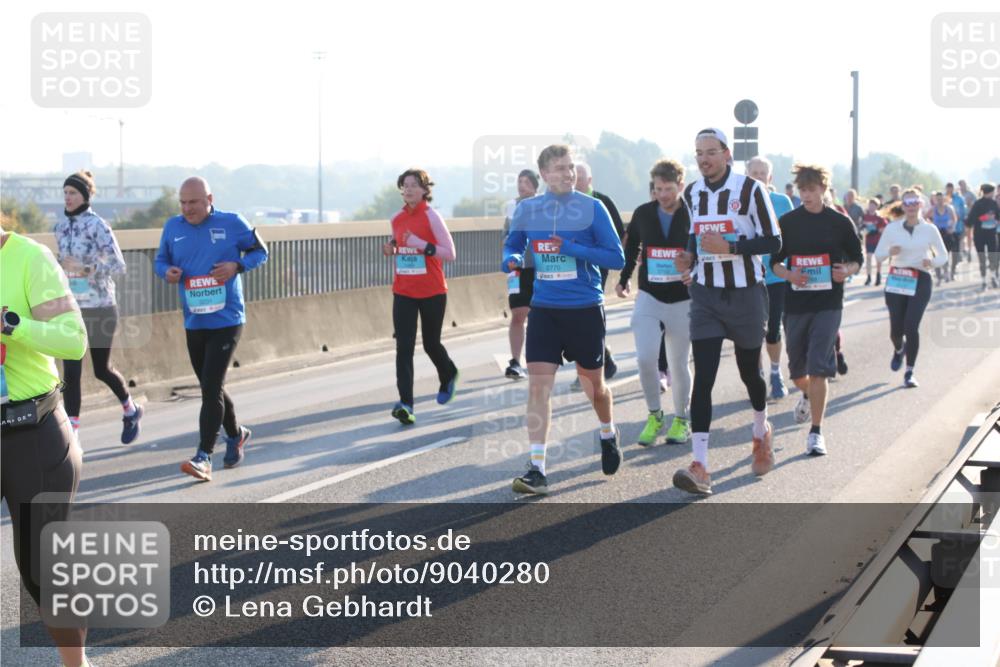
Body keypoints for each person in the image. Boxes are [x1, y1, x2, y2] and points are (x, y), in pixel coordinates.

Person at [503, 144, 625, 495]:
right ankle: (537, 469)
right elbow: (513, 243)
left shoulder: (592, 208)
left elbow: (615, 258)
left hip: (584, 308)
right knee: (538, 386)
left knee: (594, 388)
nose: (568, 174)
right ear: (543, 174)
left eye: (571, 167)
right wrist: (512, 258)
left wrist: (571, 248)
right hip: (544, 309)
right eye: (559, 168)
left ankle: (607, 432)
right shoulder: (528, 209)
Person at [671, 128, 781, 496]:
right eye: (699, 153)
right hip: (706, 293)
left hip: (746, 293)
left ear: (727, 154)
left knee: (751, 373)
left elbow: (774, 240)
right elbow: (694, 234)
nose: (704, 159)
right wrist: (688, 255)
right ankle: (700, 464)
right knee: (704, 376)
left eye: (711, 152)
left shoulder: (750, 190)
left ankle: (761, 430)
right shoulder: (692, 192)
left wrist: (731, 247)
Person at [2, 227, 92, 667]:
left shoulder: (28, 258)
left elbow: (73, 340)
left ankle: (76, 665)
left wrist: (12, 325)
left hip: (31, 432)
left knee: (43, 571)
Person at [155, 177, 267, 481]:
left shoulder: (232, 223)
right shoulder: (173, 227)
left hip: (227, 319)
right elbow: (160, 260)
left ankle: (203, 457)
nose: (187, 208)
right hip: (195, 320)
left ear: (209, 199)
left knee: (211, 386)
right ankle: (236, 433)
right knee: (210, 386)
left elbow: (260, 252)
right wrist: (167, 272)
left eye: (193, 202)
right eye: (183, 202)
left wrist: (236, 266)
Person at [768, 164, 863, 456]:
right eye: (802, 190)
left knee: (818, 367)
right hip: (796, 305)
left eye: (811, 190)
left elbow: (857, 259)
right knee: (798, 373)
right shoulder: (788, 222)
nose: (806, 195)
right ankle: (808, 394)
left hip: (828, 304)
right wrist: (789, 275)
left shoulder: (840, 222)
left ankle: (816, 432)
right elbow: (774, 263)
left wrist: (846, 270)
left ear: (823, 189)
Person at [54, 170, 143, 445]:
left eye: (73, 193)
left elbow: (118, 264)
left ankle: (131, 410)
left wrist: (86, 268)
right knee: (71, 372)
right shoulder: (60, 227)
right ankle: (73, 435)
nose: (68, 197)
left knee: (101, 369)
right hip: (72, 309)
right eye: (65, 193)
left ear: (85, 195)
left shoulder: (98, 226)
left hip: (101, 306)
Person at [616, 159, 692, 447]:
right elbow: (632, 247)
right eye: (658, 189)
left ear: (680, 186)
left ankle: (681, 419)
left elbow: (703, 249)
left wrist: (694, 270)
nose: (663, 195)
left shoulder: (692, 214)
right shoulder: (643, 213)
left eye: (669, 189)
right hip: (649, 295)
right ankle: (654, 415)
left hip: (683, 299)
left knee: (678, 363)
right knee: (645, 358)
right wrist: (624, 278)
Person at [382, 168, 460, 424]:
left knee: (430, 343)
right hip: (403, 290)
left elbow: (449, 253)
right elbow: (399, 244)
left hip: (432, 290)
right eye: (405, 185)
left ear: (425, 190)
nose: (408, 189)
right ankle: (406, 404)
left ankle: (448, 374)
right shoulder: (396, 218)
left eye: (414, 185)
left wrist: (421, 244)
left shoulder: (432, 217)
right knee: (403, 348)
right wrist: (391, 248)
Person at [874, 189, 949, 388]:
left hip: (920, 278)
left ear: (921, 204)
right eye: (907, 203)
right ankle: (899, 349)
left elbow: (943, 255)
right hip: (898, 278)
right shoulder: (892, 228)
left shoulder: (929, 229)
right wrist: (889, 251)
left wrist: (931, 262)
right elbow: (879, 255)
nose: (911, 206)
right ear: (903, 205)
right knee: (896, 331)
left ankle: (909, 371)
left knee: (911, 326)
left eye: (915, 202)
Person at [746, 157, 795, 400]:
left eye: (762, 174)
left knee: (773, 330)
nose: (758, 177)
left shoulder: (781, 201)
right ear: (746, 175)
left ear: (770, 178)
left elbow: (793, 235)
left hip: (776, 276)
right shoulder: (737, 203)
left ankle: (776, 372)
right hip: (747, 276)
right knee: (753, 332)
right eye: (753, 173)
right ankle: (757, 376)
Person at [574, 161, 626, 380]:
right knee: (576, 316)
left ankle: (593, 365)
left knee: (586, 314)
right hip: (572, 266)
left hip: (597, 266)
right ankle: (603, 358)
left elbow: (621, 235)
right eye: (573, 178)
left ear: (589, 180)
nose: (575, 182)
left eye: (580, 178)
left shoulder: (601, 202)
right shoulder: (566, 204)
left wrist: (623, 272)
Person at [503, 169, 540, 380]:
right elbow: (505, 235)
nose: (521, 185)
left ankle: (538, 359)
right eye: (519, 181)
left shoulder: (543, 205)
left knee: (538, 314)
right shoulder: (512, 206)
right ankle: (516, 362)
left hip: (539, 268)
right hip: (516, 269)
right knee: (518, 312)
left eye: (526, 182)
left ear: (535, 186)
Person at [966, 183, 1000, 290]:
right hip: (980, 234)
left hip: (990, 234)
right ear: (989, 192)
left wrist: (995, 220)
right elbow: (970, 220)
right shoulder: (978, 204)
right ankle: (984, 281)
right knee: (982, 258)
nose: (994, 193)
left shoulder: (993, 203)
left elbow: (998, 216)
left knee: (992, 257)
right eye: (993, 192)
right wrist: (983, 218)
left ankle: (993, 277)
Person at [926, 191, 957, 285]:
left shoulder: (949, 208)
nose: (939, 201)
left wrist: (951, 228)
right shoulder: (933, 209)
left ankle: (946, 273)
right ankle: (938, 276)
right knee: (936, 254)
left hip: (947, 233)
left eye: (941, 199)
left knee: (945, 253)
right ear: (935, 199)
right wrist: (930, 225)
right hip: (936, 233)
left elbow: (954, 219)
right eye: (938, 199)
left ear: (944, 199)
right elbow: (925, 217)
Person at [862, 197, 887, 286]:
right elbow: (861, 225)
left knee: (878, 258)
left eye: (873, 205)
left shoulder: (880, 217)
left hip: (878, 240)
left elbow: (885, 227)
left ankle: (878, 276)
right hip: (869, 240)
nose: (871, 207)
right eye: (870, 205)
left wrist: (876, 230)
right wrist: (863, 229)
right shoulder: (865, 216)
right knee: (868, 257)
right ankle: (868, 277)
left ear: (877, 206)